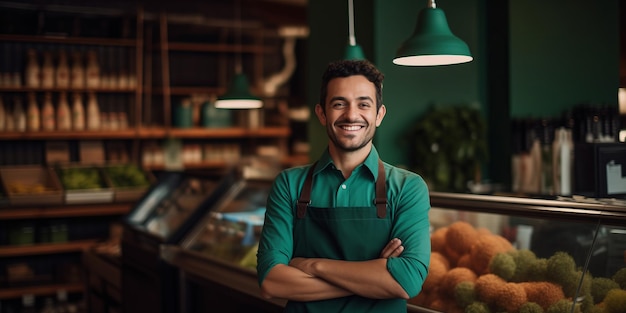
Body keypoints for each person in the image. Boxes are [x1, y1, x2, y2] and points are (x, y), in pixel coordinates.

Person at [256, 59, 431, 312]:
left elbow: (408, 281)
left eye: (363, 104)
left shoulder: (407, 188)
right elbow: (272, 282)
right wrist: (375, 277)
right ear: (321, 113)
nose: (351, 115)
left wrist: (314, 265)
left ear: (379, 115)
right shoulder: (289, 184)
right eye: (339, 104)